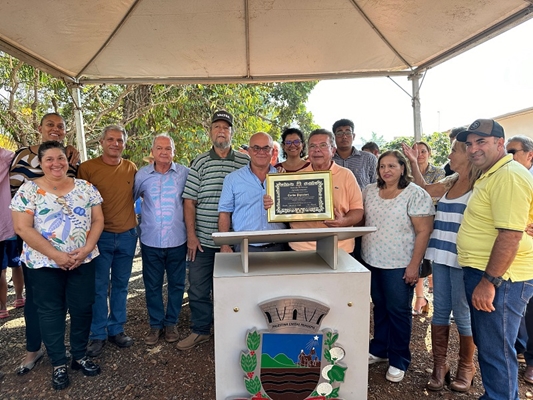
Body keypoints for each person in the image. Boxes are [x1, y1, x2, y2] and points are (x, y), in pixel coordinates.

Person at [10, 141, 104, 390]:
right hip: (43, 264)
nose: (56, 163)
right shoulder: (28, 191)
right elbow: (22, 228)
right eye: (49, 159)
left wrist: (85, 250)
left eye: (61, 158)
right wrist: (57, 256)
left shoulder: (85, 188)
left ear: (68, 161)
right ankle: (59, 363)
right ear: (41, 163)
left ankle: (79, 355)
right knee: (50, 312)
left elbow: (98, 221)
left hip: (83, 260)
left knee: (83, 307)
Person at [456, 119, 533, 400]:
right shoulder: (493, 173)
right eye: (469, 143)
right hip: (490, 274)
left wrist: (489, 281)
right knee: (491, 346)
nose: (473, 149)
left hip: (501, 279)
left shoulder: (508, 175)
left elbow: (510, 235)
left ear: (501, 144)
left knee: (496, 349)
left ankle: (500, 396)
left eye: (481, 142)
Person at [403, 140, 480, 392]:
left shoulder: (483, 182)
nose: (449, 154)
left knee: (462, 313)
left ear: (468, 154)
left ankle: (467, 367)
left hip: (464, 257)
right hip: (442, 253)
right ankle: (440, 366)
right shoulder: (451, 180)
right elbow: (424, 188)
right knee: (440, 310)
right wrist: (414, 162)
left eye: (454, 151)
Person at [9, 112, 80, 375]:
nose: (56, 129)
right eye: (50, 124)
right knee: (37, 298)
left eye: (60, 126)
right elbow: (15, 195)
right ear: (39, 128)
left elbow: (77, 194)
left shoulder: (70, 157)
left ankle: (60, 349)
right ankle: (33, 349)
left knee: (62, 298)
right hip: (33, 238)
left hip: (66, 241)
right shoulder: (23, 156)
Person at [178, 110, 249, 351]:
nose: (221, 131)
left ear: (232, 132)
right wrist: (191, 235)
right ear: (210, 132)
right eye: (217, 127)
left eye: (226, 127)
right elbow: (189, 201)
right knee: (198, 287)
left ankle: (235, 330)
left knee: (236, 287)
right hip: (203, 240)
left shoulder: (244, 161)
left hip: (238, 239)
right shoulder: (199, 162)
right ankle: (201, 330)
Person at [364, 150, 434, 383]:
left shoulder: (415, 194)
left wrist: (414, 265)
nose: (386, 170)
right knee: (380, 307)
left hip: (400, 263)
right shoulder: (369, 191)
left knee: (398, 311)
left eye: (392, 166)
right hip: (372, 260)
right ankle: (380, 349)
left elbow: (424, 231)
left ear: (403, 168)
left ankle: (399, 359)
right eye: (382, 166)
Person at [78, 125, 138, 357]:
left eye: (120, 140)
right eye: (110, 139)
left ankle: (117, 328)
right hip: (99, 236)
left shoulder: (131, 168)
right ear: (101, 142)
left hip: (127, 235)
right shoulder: (87, 168)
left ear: (124, 143)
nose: (115, 144)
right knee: (98, 287)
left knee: (121, 285)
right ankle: (98, 333)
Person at [133, 134, 189, 345]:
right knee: (152, 285)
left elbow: (192, 201)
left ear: (174, 152)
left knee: (176, 284)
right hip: (150, 240)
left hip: (177, 239)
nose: (164, 152)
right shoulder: (142, 175)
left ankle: (171, 323)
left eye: (168, 148)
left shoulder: (184, 173)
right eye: (160, 148)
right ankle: (156, 325)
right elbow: (130, 200)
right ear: (153, 151)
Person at [283, 129, 364, 252]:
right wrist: (274, 203)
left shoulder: (346, 175)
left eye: (323, 145)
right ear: (308, 150)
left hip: (339, 248)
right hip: (301, 248)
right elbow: (285, 209)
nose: (317, 150)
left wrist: (344, 221)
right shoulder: (296, 177)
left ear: (333, 150)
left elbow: (357, 210)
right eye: (312, 146)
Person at [219, 132, 287, 253]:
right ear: (249, 151)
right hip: (245, 247)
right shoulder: (233, 179)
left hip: (279, 247)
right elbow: (224, 213)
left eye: (266, 148)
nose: (261, 152)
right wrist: (224, 244)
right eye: (256, 148)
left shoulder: (282, 178)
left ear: (272, 151)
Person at [506, 135, 533, 381]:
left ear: (529, 155)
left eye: (513, 151)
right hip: (513, 262)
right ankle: (521, 351)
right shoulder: (508, 177)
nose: (508, 157)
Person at [411, 141, 445, 313]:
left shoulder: (439, 172)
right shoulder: (408, 172)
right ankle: (420, 298)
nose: (420, 154)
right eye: (416, 151)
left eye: (423, 151)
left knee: (432, 261)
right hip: (412, 222)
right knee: (417, 259)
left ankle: (438, 302)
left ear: (429, 153)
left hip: (434, 220)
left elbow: (432, 196)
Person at [331, 118, 377, 189]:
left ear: (354, 136)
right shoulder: (328, 159)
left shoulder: (369, 159)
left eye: (348, 133)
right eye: (339, 133)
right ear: (334, 137)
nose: (344, 137)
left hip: (363, 200)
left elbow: (377, 186)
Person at [1, 146, 15, 320]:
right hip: (6, 223)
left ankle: (4, 305)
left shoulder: (6, 157)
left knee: (9, 267)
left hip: (5, 223)